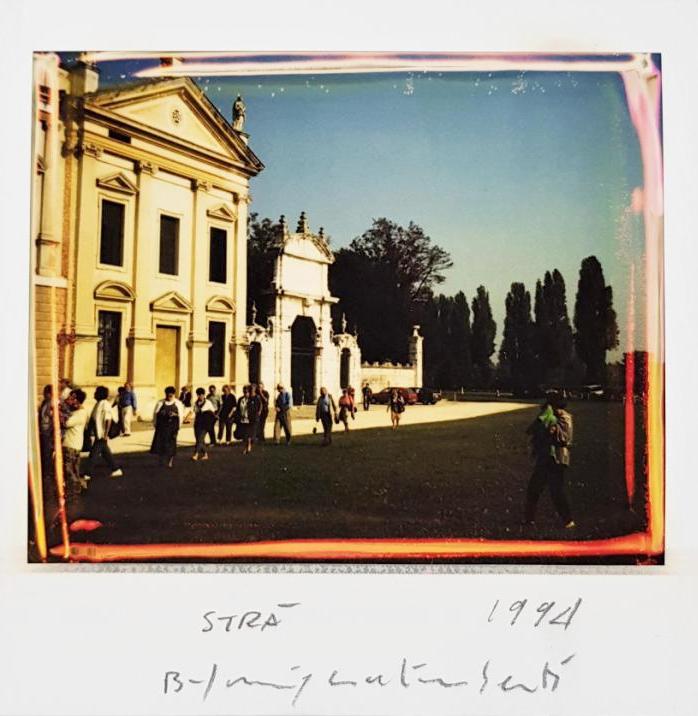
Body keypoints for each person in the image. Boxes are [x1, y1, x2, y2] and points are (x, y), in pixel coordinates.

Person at [523, 394, 575, 528]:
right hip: (546, 458)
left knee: (556, 491)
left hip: (557, 459)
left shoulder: (565, 418)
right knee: (534, 489)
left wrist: (552, 427)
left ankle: (568, 520)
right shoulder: (551, 416)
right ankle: (529, 520)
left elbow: (564, 438)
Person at [85, 386, 123, 480]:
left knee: (94, 454)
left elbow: (108, 419)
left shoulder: (105, 404)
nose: (94, 394)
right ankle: (115, 468)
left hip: (101, 433)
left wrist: (105, 434)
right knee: (105, 453)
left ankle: (88, 473)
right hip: (99, 433)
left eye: (96, 392)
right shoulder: (98, 404)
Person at [62, 389, 89, 497]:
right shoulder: (77, 412)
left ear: (76, 400)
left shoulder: (79, 414)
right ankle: (78, 486)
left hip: (71, 445)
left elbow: (66, 423)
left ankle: (76, 488)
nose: (68, 400)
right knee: (73, 469)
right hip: (74, 445)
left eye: (71, 398)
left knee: (69, 470)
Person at [151, 386, 184, 468]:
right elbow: (155, 415)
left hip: (172, 427)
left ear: (173, 395)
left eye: (171, 396)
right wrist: (155, 424)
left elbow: (180, 416)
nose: (169, 397)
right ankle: (161, 460)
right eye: (168, 395)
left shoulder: (178, 403)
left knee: (171, 445)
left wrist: (175, 417)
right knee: (160, 444)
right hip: (162, 427)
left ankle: (170, 461)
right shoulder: (160, 403)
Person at [192, 388, 216, 461]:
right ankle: (205, 454)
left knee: (200, 439)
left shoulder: (208, 402)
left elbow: (213, 412)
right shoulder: (195, 403)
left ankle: (196, 454)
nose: (200, 396)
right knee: (199, 440)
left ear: (203, 395)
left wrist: (211, 422)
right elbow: (195, 412)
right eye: (198, 395)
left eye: (201, 395)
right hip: (197, 423)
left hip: (205, 424)